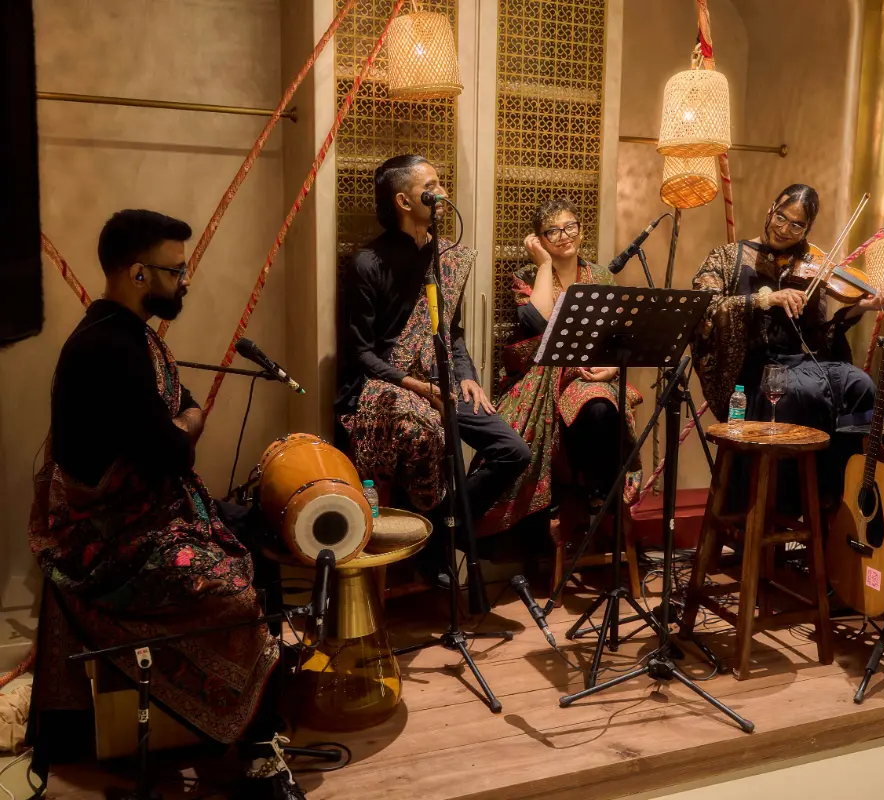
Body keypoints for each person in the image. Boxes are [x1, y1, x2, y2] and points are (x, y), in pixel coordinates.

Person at [28, 210, 304, 800]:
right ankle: (254, 753)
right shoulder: (108, 348)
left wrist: (185, 421)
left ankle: (256, 723)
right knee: (233, 592)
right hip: (110, 542)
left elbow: (183, 413)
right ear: (136, 272)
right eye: (176, 271)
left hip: (152, 512)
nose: (186, 281)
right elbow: (173, 450)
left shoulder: (134, 335)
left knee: (259, 532)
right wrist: (187, 423)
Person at [334, 155, 530, 577]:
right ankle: (428, 551)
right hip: (387, 384)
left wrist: (468, 378)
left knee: (512, 451)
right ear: (405, 201)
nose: (443, 193)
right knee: (424, 427)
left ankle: (443, 533)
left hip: (441, 379)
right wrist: (418, 388)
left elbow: (451, 334)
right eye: (433, 186)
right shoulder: (368, 263)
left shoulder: (446, 258)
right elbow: (362, 354)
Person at [692, 184, 884, 506]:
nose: (784, 229)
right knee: (802, 392)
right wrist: (765, 298)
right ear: (771, 209)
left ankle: (835, 492)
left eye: (796, 225)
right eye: (781, 217)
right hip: (751, 368)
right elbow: (705, 307)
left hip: (801, 363)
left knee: (861, 385)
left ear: (807, 229)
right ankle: (784, 501)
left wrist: (860, 308)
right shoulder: (727, 257)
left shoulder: (812, 265)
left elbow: (820, 333)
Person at [477, 198, 642, 539]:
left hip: (591, 374)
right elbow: (535, 320)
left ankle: (597, 494)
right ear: (538, 239)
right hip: (544, 375)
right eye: (553, 230)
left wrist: (610, 368)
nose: (564, 235)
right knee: (582, 411)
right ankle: (578, 497)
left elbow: (617, 336)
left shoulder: (600, 276)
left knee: (599, 407)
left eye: (570, 226)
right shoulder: (526, 275)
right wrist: (542, 265)